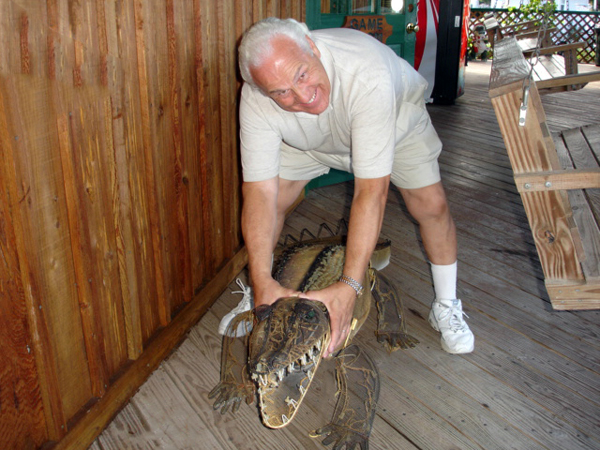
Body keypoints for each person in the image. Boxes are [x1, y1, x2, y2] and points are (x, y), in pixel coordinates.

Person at [219, 17, 474, 356]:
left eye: (302, 75)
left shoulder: (365, 73)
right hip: (309, 140)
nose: (302, 96)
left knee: (431, 206)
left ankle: (446, 303)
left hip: (394, 123)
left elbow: (371, 192)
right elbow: (259, 194)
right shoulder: (255, 98)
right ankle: (261, 292)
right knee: (276, 200)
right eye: (280, 92)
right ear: (261, 90)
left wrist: (350, 286)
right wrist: (261, 277)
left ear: (312, 48)